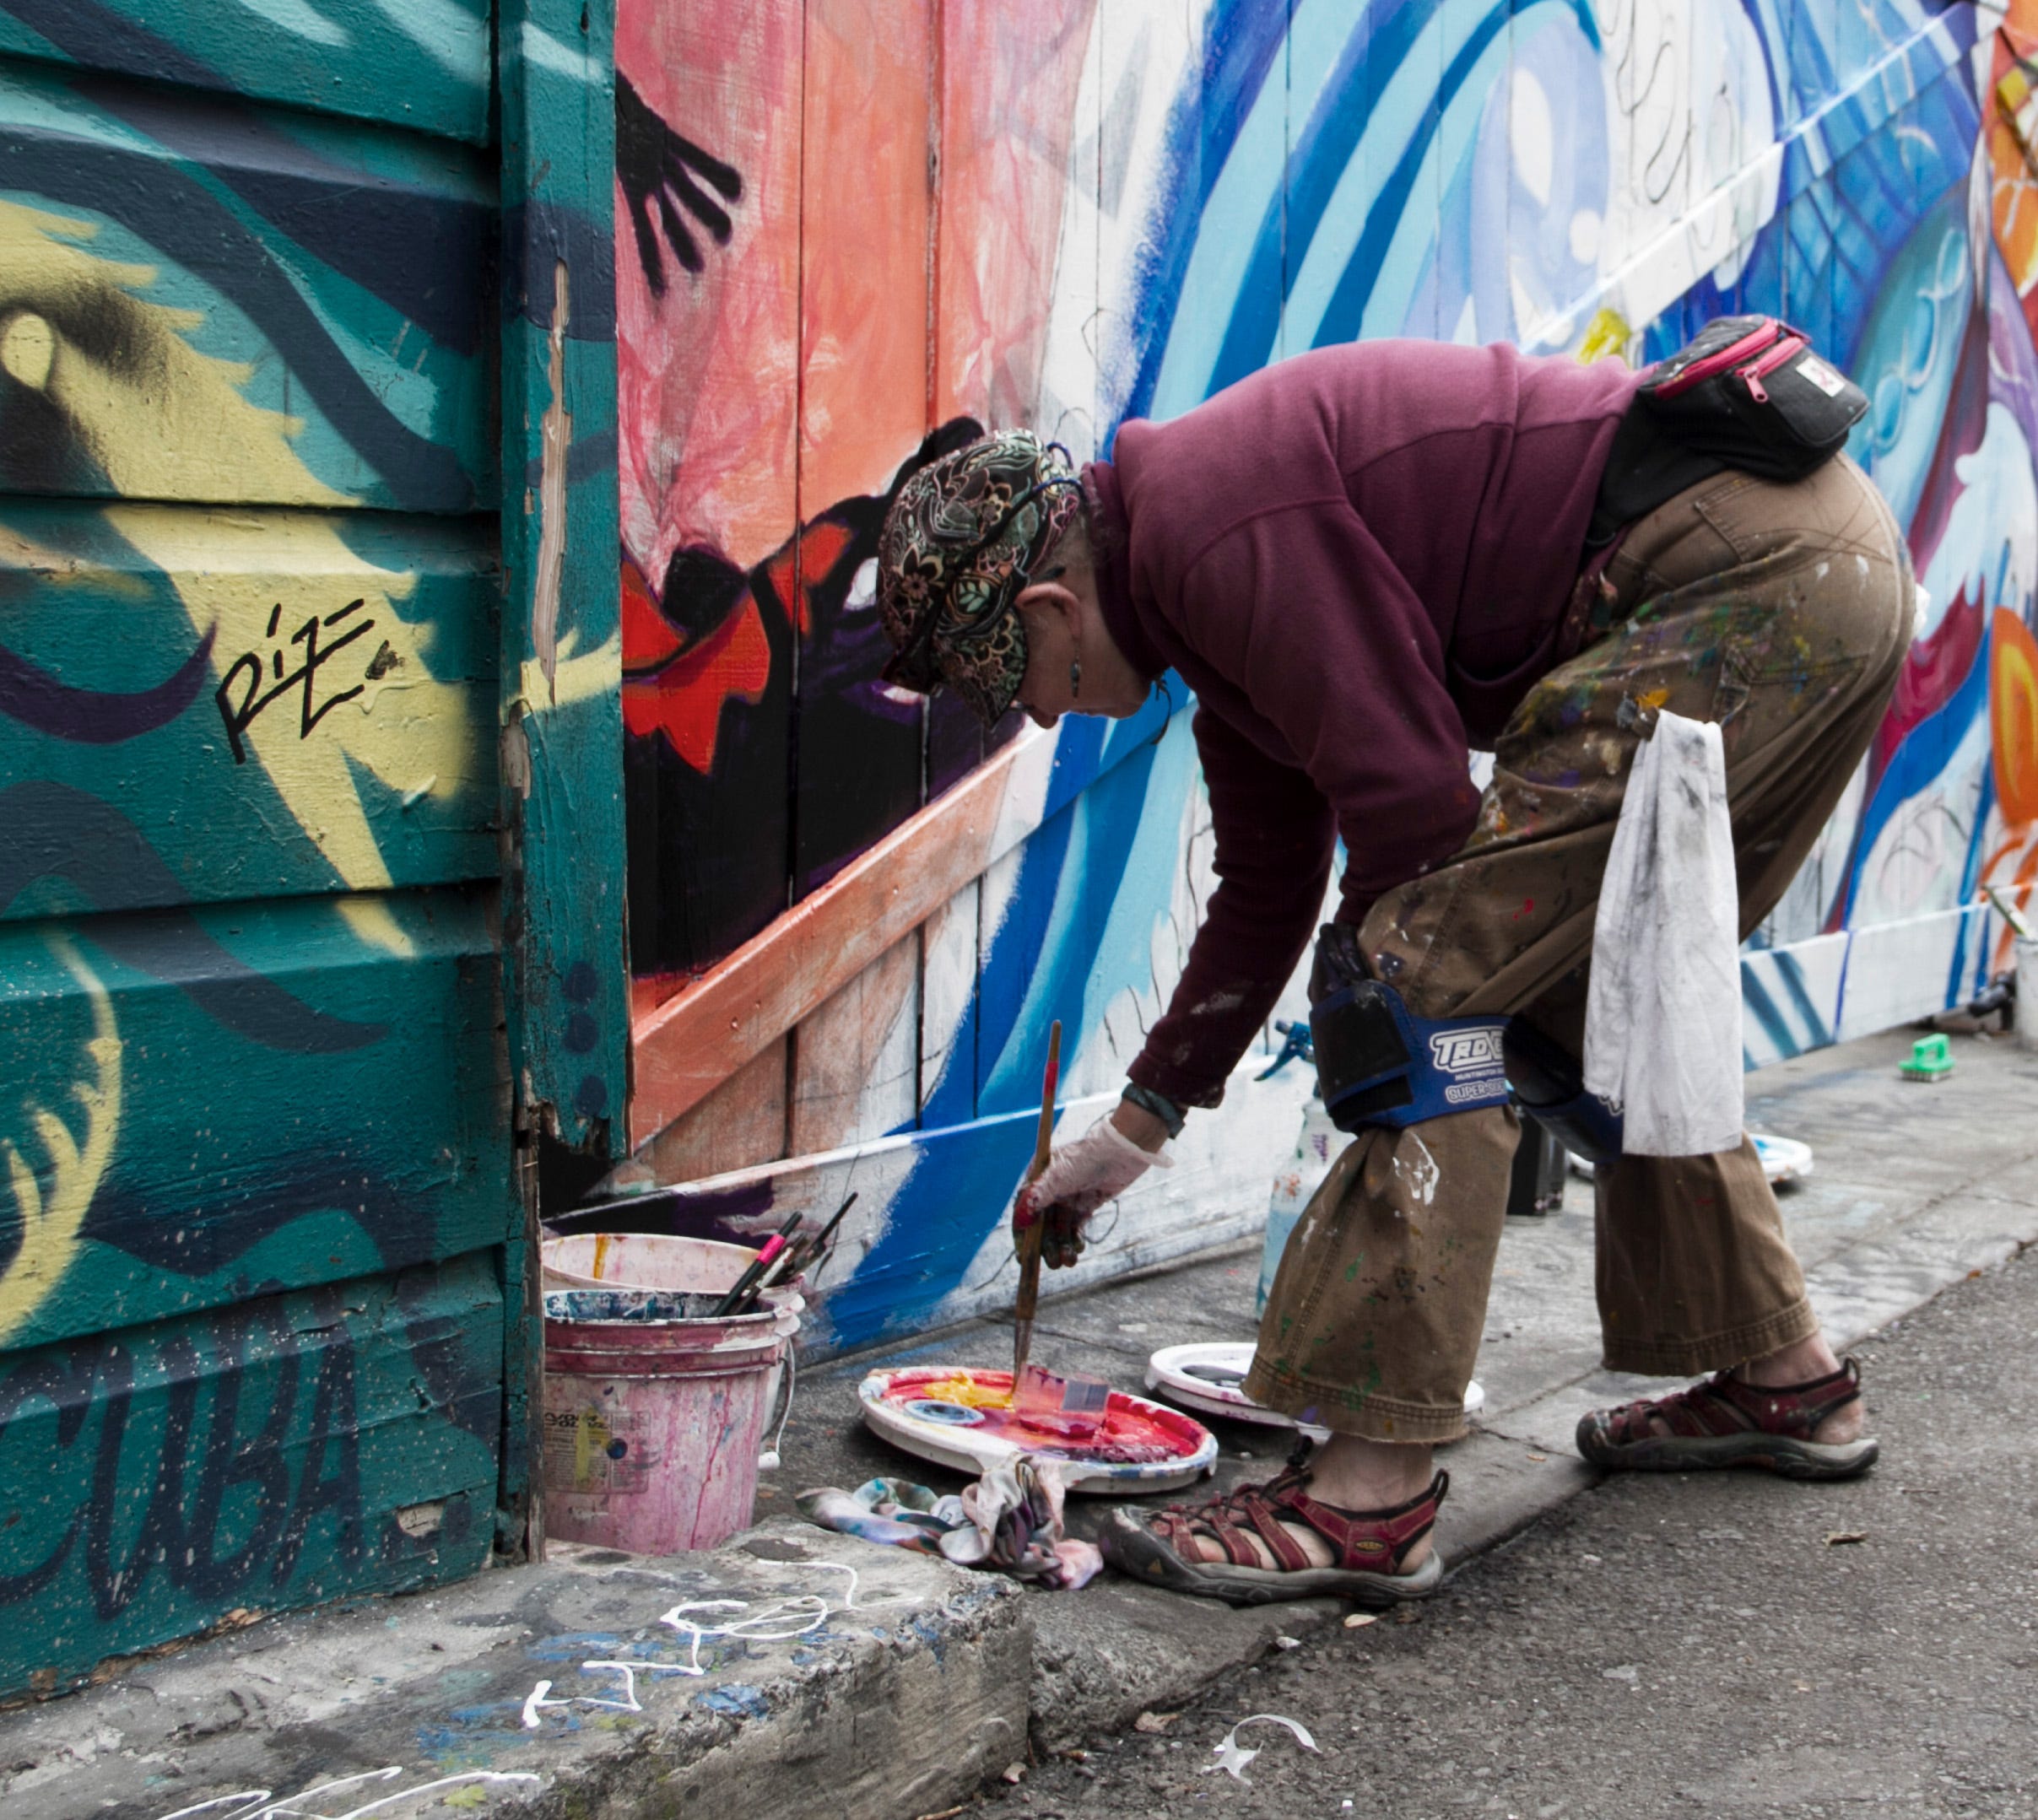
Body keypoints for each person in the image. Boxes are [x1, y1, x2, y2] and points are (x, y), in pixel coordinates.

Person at [873, 337, 1911, 1606]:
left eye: (1023, 692)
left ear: (1048, 610)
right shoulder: (1202, 582)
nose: (1044, 717)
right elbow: (1265, 894)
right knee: (1593, 996)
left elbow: (1416, 823)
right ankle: (1782, 1374)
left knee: (1415, 979)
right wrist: (1134, 1131)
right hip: (1820, 570)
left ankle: (1366, 1494)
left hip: (1744, 581)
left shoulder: (1209, 524)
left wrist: (1381, 1001)